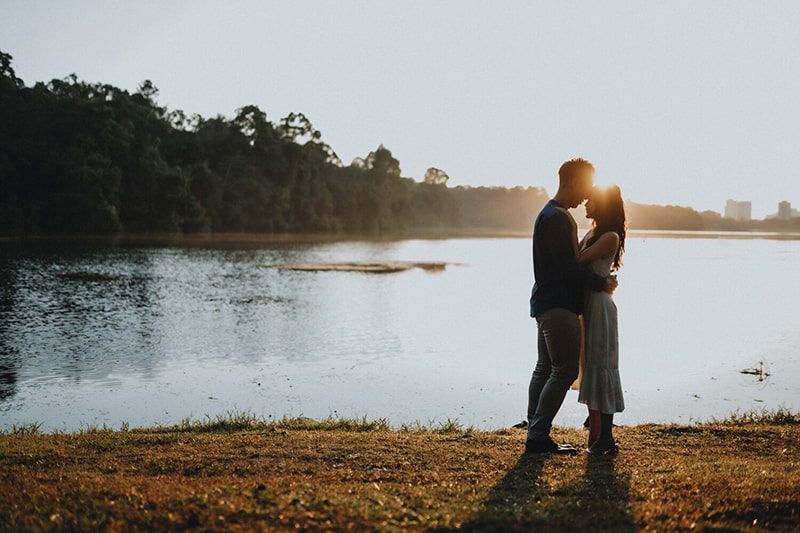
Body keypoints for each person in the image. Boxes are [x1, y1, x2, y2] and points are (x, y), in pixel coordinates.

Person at [525, 158, 617, 454]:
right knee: (563, 371)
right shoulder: (558, 217)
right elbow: (568, 268)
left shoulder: (548, 213)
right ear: (575, 182)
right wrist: (599, 283)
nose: (587, 194)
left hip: (545, 302)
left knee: (545, 368)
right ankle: (537, 435)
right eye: (587, 185)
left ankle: (534, 430)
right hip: (559, 305)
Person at [576, 185, 626, 454]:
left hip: (601, 308)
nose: (585, 203)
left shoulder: (609, 236)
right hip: (588, 306)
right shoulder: (593, 232)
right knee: (591, 369)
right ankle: (595, 439)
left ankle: (606, 437)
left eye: (591, 200)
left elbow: (577, 260)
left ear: (602, 205)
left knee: (603, 369)